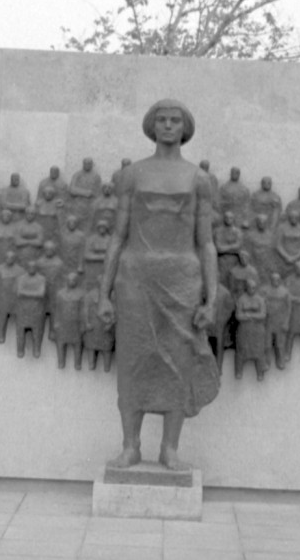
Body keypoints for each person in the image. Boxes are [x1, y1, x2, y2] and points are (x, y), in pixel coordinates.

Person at [98, 98, 220, 471]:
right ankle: (131, 446)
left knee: (177, 364)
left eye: (175, 120)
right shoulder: (132, 175)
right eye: (162, 120)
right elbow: (117, 236)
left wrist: (210, 298)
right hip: (136, 277)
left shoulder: (199, 179)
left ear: (186, 128)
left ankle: (169, 448)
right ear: (152, 126)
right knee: (134, 362)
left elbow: (207, 243)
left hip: (182, 278)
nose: (168, 125)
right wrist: (103, 293)